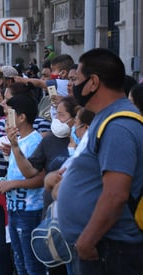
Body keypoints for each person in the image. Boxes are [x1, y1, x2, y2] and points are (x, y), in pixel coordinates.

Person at [58, 48, 143, 275]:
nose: (71, 85)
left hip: (110, 250)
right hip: (103, 248)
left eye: (75, 79)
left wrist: (87, 241)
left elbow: (116, 194)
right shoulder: (104, 118)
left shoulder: (118, 126)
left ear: (93, 82)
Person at [0, 94, 46, 275]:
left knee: (31, 263)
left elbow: (40, 178)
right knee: (19, 260)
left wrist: (12, 184)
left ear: (22, 117)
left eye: (9, 115)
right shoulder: (18, 140)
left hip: (30, 210)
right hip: (15, 208)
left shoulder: (34, 141)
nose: (5, 119)